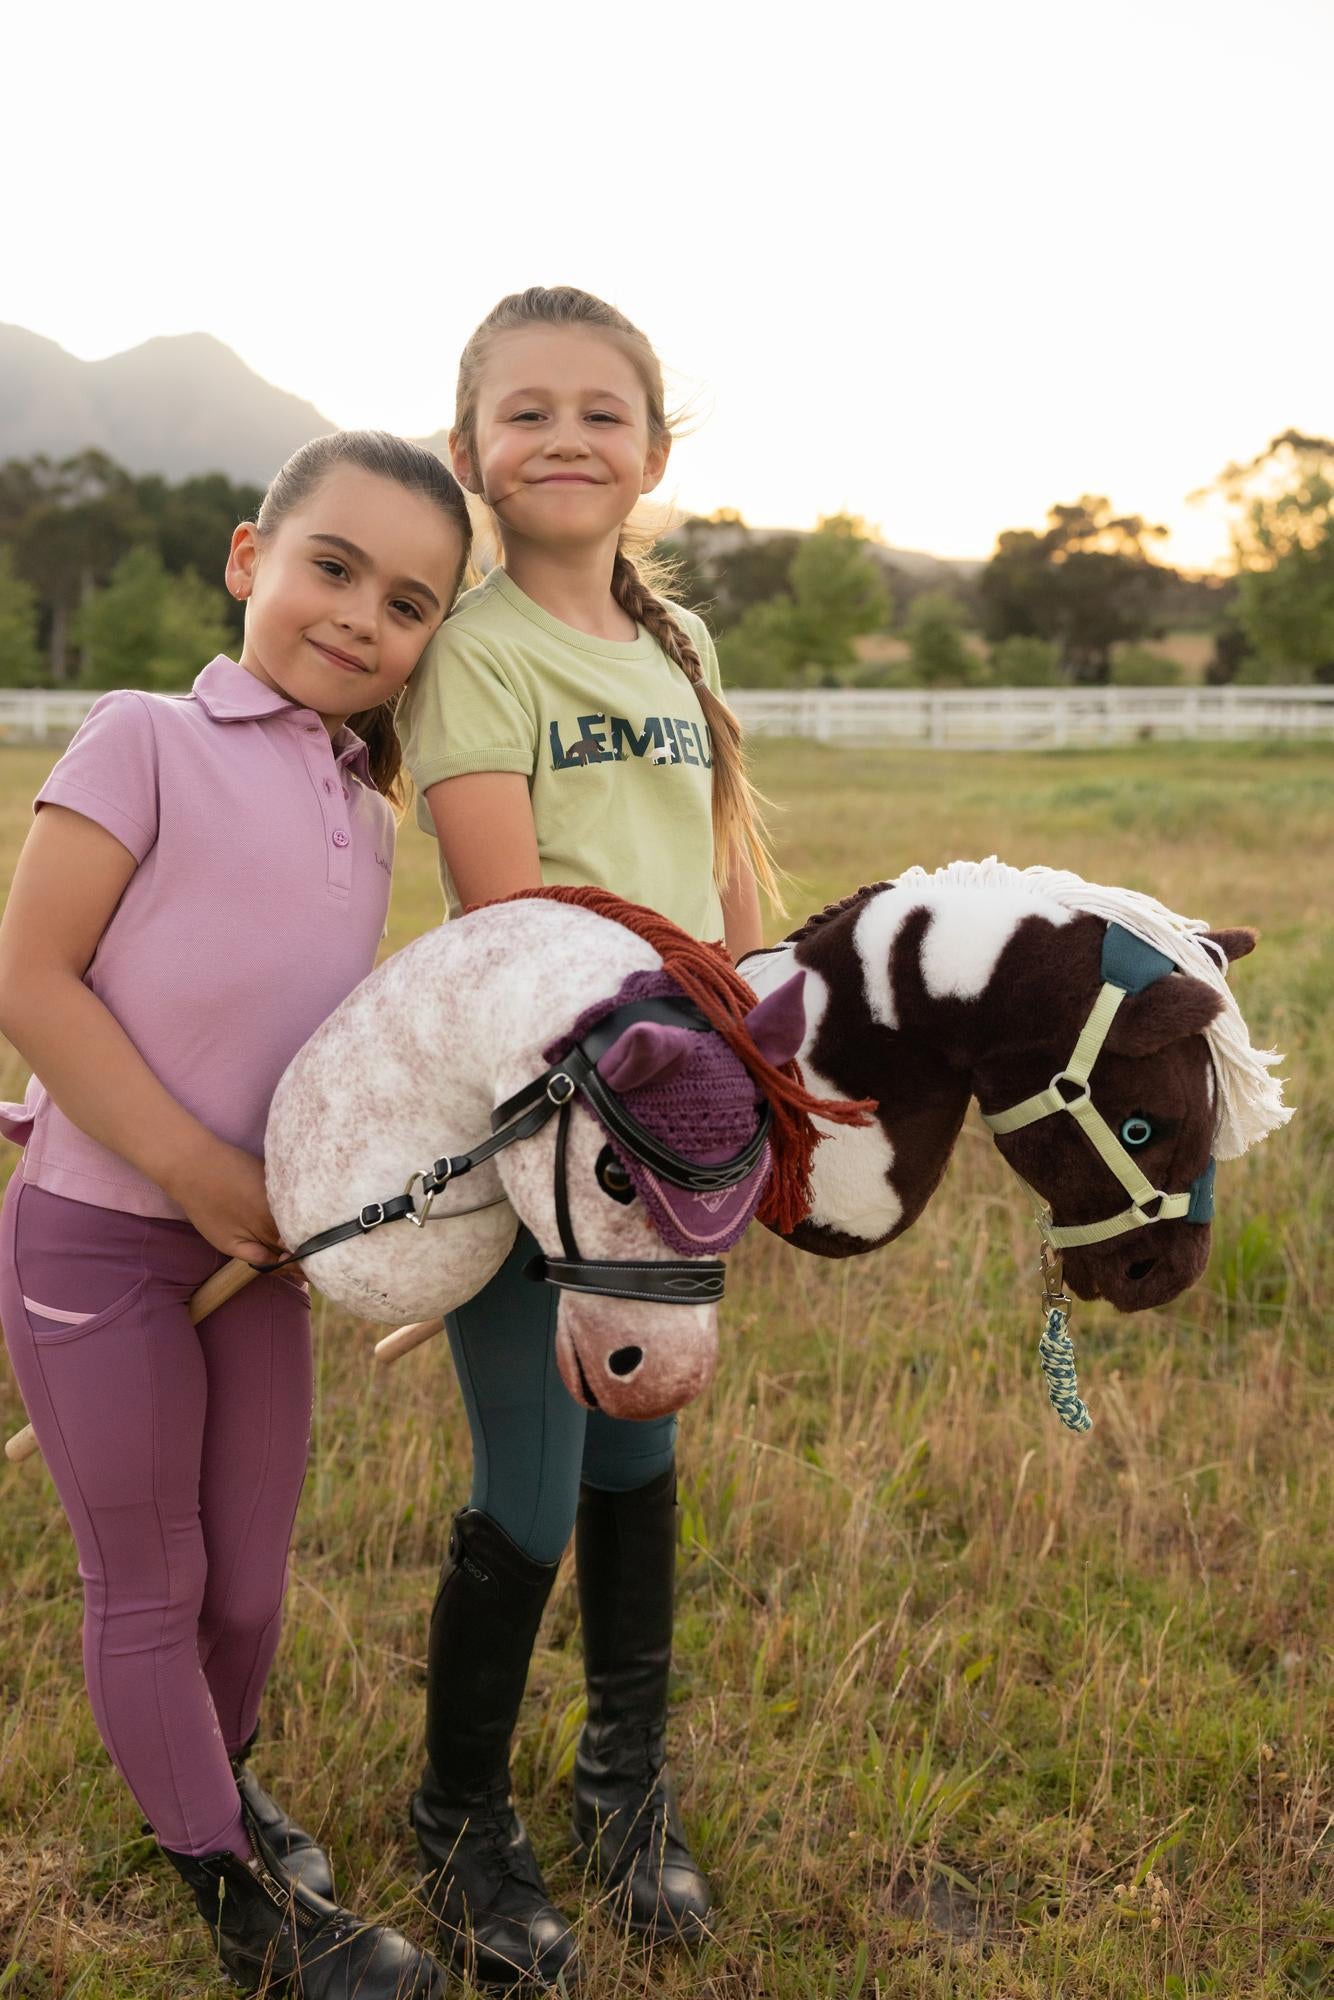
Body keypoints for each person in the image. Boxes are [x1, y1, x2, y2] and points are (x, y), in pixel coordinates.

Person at [0, 432, 471, 2000]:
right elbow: (32, 981)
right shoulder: (143, 737)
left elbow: (298, 1044)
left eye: (405, 603)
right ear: (247, 558)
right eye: (331, 567)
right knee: (151, 1578)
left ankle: (218, 1776)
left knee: (250, 1583)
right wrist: (194, 1176)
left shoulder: (371, 817)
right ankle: (237, 1896)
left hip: (256, 1258)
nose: (358, 617)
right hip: (102, 1240)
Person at [395, 285, 777, 1992]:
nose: (565, 437)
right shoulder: (477, 652)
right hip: (551, 1119)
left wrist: (758, 1047)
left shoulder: (676, 644)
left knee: (637, 1451)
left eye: (600, 411)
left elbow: (727, 867)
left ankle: (625, 1785)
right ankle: (458, 1815)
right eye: (526, 411)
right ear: (470, 449)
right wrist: (671, 1046)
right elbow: (514, 918)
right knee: (534, 1479)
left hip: (680, 1124)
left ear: (654, 453)